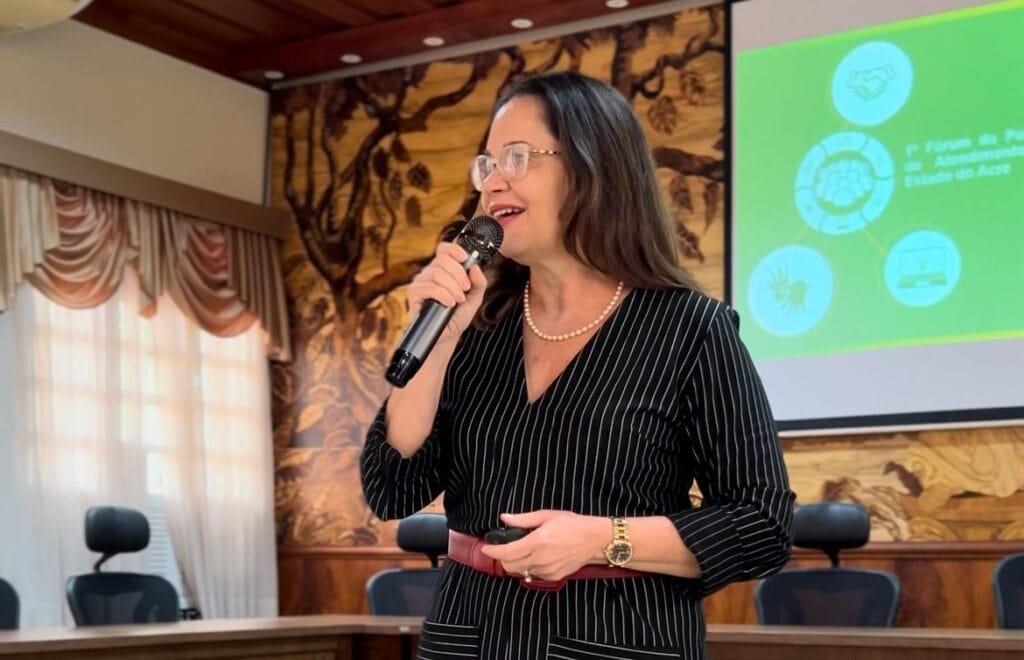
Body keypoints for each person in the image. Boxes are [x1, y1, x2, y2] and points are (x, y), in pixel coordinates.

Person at [360, 71, 793, 660]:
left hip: (622, 640)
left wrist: (601, 539)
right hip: (468, 637)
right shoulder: (476, 324)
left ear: (593, 167)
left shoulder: (692, 328)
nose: (493, 183)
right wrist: (437, 345)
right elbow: (391, 486)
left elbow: (761, 525)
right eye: (486, 165)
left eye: (517, 157)